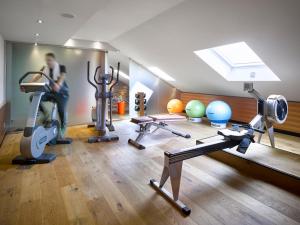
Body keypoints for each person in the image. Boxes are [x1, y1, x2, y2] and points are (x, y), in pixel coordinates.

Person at [26, 52, 70, 138]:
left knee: (61, 110)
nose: (48, 62)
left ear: (54, 60)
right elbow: (37, 75)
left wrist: (58, 84)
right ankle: (46, 114)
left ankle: (63, 125)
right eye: (47, 60)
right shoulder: (44, 68)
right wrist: (29, 84)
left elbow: (62, 77)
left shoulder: (61, 67)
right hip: (50, 92)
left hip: (62, 93)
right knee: (33, 97)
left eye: (50, 60)